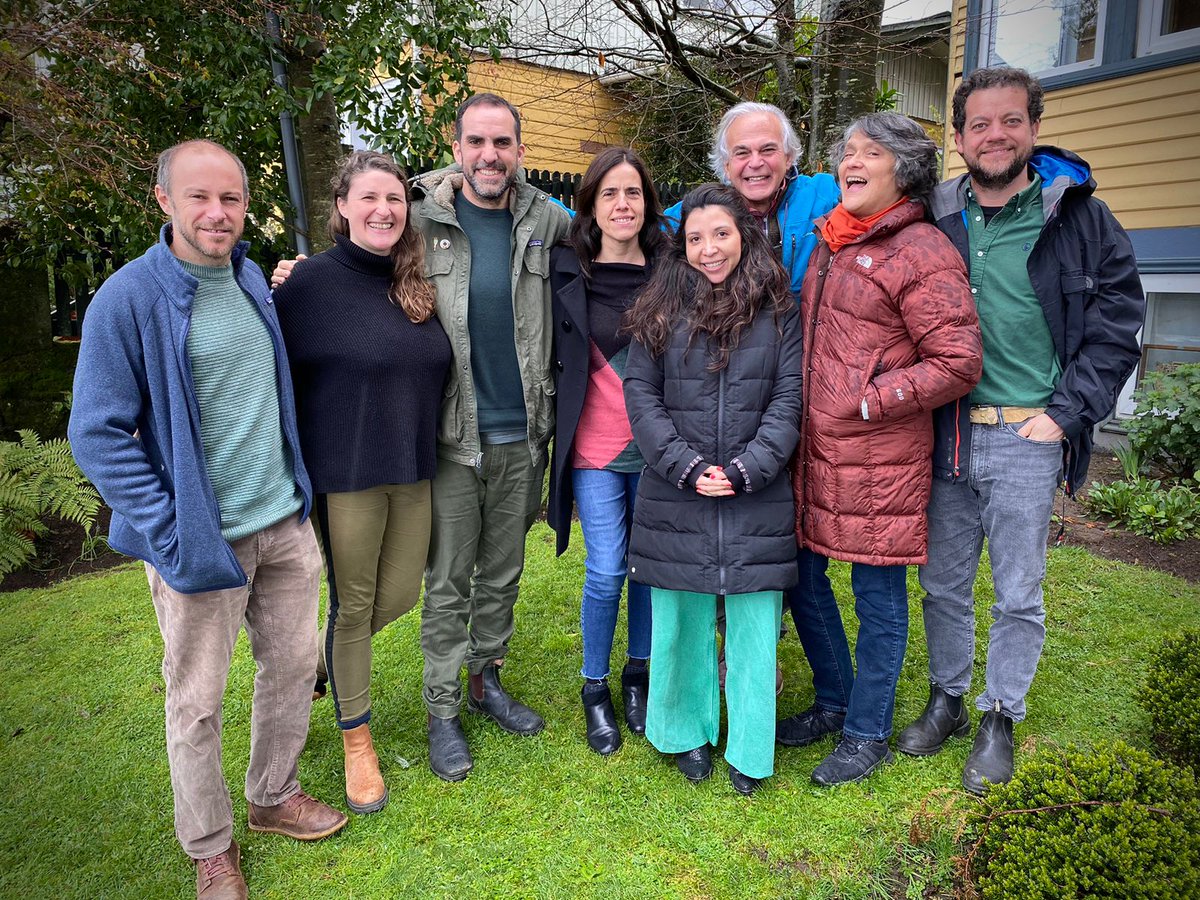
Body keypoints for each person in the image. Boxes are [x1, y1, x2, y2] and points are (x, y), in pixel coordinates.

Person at [69, 139, 347, 900]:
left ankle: (271, 796)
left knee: (291, 669)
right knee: (196, 699)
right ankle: (209, 847)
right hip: (200, 541)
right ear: (163, 200)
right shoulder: (127, 300)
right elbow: (95, 431)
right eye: (199, 197)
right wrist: (166, 526)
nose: (217, 213)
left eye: (230, 198)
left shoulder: (251, 278)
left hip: (284, 521)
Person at [276, 94, 572, 780]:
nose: (490, 154)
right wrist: (297, 274)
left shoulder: (546, 219)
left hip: (524, 434)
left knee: (503, 573)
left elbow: (624, 232)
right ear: (457, 146)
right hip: (449, 437)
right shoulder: (423, 215)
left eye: (503, 142)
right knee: (446, 582)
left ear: (521, 151)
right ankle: (442, 710)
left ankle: (485, 677)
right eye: (477, 141)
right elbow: (355, 266)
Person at [897, 67, 1145, 794]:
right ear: (958, 137)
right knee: (941, 583)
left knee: (1017, 592)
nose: (995, 135)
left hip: (1024, 435)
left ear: (1033, 127)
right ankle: (945, 697)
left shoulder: (1078, 217)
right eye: (980, 124)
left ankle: (1000, 713)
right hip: (944, 432)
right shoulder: (935, 215)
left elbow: (1117, 325)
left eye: (1010, 121)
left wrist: (1064, 416)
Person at [777, 112, 983, 787]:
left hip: (879, 462)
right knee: (802, 580)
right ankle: (836, 701)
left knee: (877, 596)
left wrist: (873, 398)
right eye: (847, 152)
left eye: (870, 152)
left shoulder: (921, 249)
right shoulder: (834, 240)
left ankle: (867, 733)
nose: (851, 161)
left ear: (906, 170)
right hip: (816, 451)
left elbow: (958, 360)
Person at [273, 151, 452, 814]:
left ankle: (319, 666)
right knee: (353, 605)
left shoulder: (416, 279)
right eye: (369, 198)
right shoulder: (305, 286)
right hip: (345, 471)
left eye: (395, 200)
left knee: (400, 593)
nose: (383, 210)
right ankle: (357, 740)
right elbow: (270, 372)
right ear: (343, 207)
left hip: (412, 466)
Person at [623, 183, 803, 795]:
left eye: (720, 234)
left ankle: (750, 748)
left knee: (755, 627)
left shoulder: (780, 308)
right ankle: (684, 734)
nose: (708, 249)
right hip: (677, 493)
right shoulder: (657, 308)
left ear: (743, 235)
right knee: (679, 623)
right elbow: (641, 397)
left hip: (757, 493)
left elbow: (788, 396)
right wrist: (684, 465)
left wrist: (753, 465)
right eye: (695, 238)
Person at [548, 147, 666, 756]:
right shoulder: (565, 266)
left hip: (659, 448)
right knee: (605, 568)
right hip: (592, 445)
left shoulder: (673, 267)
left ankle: (637, 675)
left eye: (634, 193)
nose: (623, 205)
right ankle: (595, 688)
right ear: (591, 204)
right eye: (610, 194)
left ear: (648, 203)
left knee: (647, 566)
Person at [663, 102, 840, 296]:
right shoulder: (692, 216)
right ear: (726, 165)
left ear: (788, 157)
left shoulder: (825, 196)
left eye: (768, 150)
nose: (755, 163)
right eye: (742, 153)